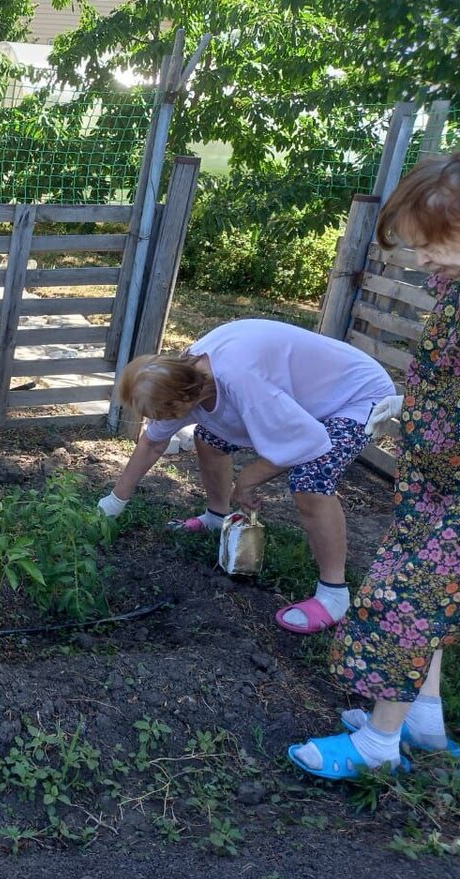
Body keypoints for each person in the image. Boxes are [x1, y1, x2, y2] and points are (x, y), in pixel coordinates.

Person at [289, 152, 460, 779]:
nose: (421, 262)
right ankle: (422, 719)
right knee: (433, 601)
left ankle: (378, 749)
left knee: (403, 599)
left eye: (433, 245)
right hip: (434, 473)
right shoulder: (456, 284)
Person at [97, 319, 397, 634]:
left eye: (159, 415)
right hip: (305, 395)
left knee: (311, 481)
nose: (155, 422)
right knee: (209, 437)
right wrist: (114, 502)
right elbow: (153, 443)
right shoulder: (185, 375)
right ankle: (216, 517)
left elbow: (307, 442)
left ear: (181, 400)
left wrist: (249, 479)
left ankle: (334, 594)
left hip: (358, 396)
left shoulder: (240, 381)